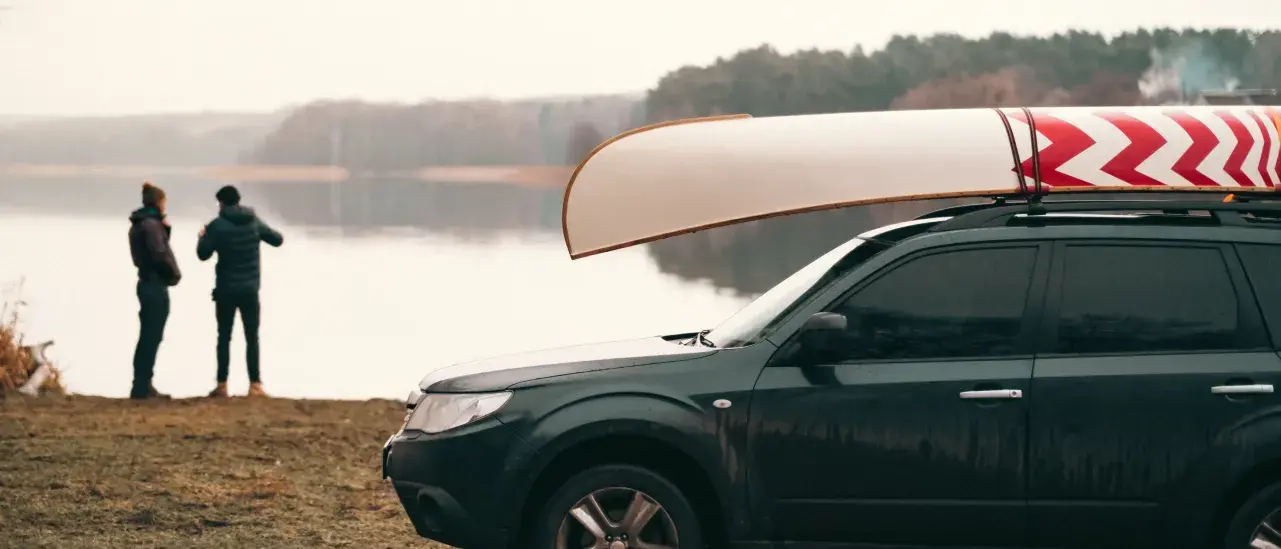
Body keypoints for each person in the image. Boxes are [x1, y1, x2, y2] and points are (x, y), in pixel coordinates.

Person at [196, 185, 284, 398]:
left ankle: (222, 384)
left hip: (225, 289)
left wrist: (202, 236)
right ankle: (255, 385)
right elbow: (277, 239)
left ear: (222, 203)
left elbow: (203, 254)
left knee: (224, 337)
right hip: (250, 289)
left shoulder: (216, 226)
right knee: (252, 336)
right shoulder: (253, 221)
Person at [128, 181, 181, 400]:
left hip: (147, 283)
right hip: (155, 284)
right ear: (159, 202)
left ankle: (142, 383)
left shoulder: (141, 224)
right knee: (152, 335)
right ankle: (142, 385)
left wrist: (165, 228)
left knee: (148, 335)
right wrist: (174, 274)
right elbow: (160, 254)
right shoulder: (150, 225)